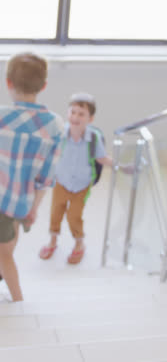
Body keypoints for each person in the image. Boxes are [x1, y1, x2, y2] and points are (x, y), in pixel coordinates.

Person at [0, 53, 63, 301]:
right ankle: (12, 289)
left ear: (8, 83)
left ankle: (17, 300)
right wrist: (35, 207)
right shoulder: (55, 126)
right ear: (43, 86)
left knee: (4, 252)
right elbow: (46, 177)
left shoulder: (1, 117)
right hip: (22, 201)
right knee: (8, 243)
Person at [39, 92, 130, 264]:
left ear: (90, 119)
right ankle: (53, 241)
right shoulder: (60, 133)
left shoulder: (93, 138)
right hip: (61, 181)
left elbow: (102, 158)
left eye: (81, 114)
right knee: (55, 213)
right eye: (72, 112)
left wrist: (123, 167)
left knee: (74, 216)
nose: (75, 117)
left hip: (81, 185)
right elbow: (49, 151)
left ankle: (79, 243)